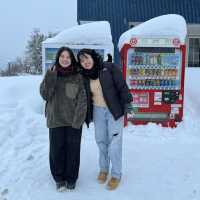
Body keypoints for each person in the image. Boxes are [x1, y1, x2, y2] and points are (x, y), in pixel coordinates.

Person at [77, 49, 133, 190]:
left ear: (93, 57)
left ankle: (116, 174)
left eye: (87, 58)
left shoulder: (109, 68)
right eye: (82, 61)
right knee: (101, 141)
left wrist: (127, 103)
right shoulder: (84, 75)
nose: (85, 62)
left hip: (113, 110)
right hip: (97, 111)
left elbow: (122, 86)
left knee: (114, 143)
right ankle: (104, 169)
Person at [40, 47, 87, 192]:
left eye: (68, 57)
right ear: (58, 58)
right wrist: (51, 76)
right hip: (55, 120)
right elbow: (45, 94)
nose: (65, 59)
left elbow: (82, 100)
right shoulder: (52, 74)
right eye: (62, 56)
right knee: (56, 151)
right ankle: (59, 179)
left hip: (73, 122)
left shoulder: (77, 76)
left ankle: (71, 178)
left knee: (73, 151)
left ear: (71, 59)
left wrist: (77, 121)